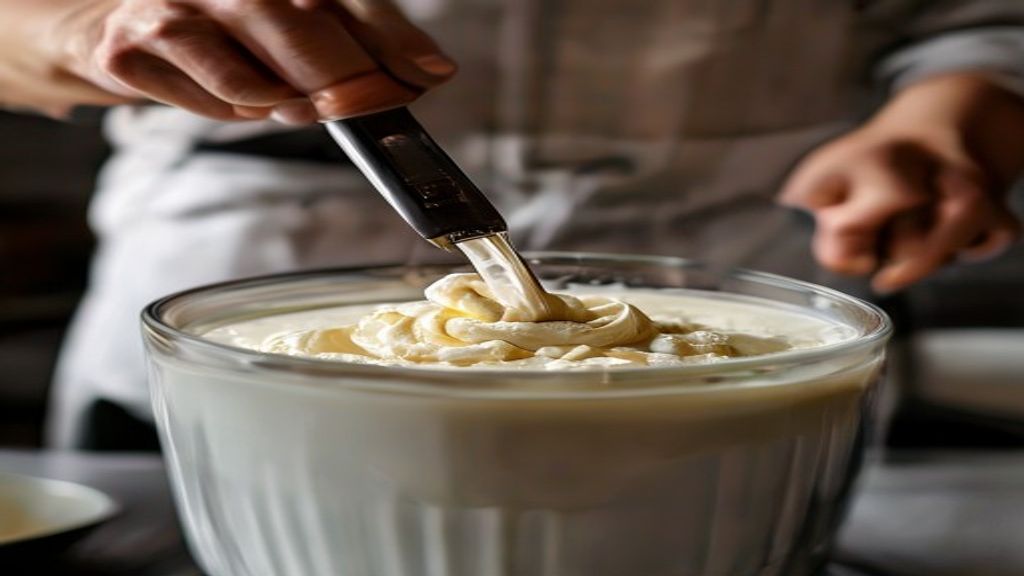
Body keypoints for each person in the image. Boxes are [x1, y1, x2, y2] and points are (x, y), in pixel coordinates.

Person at [1, 0, 1022, 449]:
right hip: (236, 348)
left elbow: (974, 17)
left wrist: (942, 125)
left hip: (746, 323)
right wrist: (82, 29)